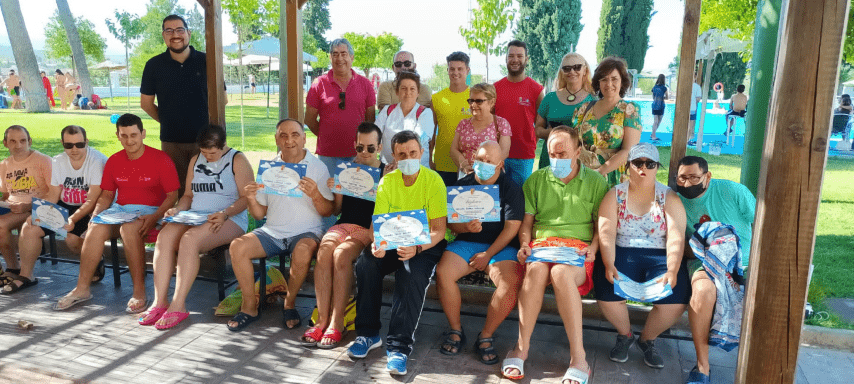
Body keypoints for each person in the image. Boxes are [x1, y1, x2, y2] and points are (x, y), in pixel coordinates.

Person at [501, 126, 608, 384]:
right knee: (536, 271)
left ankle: (578, 358)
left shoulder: (595, 182)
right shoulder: (537, 180)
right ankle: (521, 347)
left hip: (578, 249)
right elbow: (526, 223)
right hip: (543, 244)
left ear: (578, 151)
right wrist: (525, 244)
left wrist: (593, 248)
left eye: (563, 153)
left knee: (561, 273)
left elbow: (600, 226)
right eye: (551, 153)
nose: (556, 159)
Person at [53, 114, 180, 312]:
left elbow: (173, 196)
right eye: (124, 136)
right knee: (95, 227)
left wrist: (155, 217)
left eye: (134, 135)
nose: (129, 141)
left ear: (143, 134)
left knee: (129, 229)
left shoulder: (160, 159)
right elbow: (106, 196)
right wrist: (95, 216)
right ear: (118, 136)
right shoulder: (114, 160)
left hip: (152, 213)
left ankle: (139, 292)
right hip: (120, 211)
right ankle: (82, 289)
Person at [347, 130, 447, 376]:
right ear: (394, 156)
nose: (408, 157)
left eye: (413, 152)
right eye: (402, 154)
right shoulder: (387, 182)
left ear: (422, 153)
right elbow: (375, 228)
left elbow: (439, 231)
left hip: (425, 244)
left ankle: (399, 347)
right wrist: (377, 244)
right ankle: (368, 334)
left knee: (410, 274)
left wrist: (417, 248)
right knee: (366, 263)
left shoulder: (433, 181)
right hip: (392, 240)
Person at [140, 125, 252, 330]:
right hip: (195, 215)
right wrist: (177, 210)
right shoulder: (195, 160)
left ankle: (178, 305)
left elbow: (247, 198)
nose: (208, 157)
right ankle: (159, 301)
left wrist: (225, 213)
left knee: (189, 239)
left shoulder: (237, 159)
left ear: (223, 145)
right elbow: (188, 196)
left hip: (228, 218)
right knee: (164, 236)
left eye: (212, 153)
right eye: (204, 152)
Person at [226, 119, 334, 332]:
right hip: (272, 231)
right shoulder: (270, 168)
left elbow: (328, 211)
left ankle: (289, 302)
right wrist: (250, 198)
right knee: (237, 246)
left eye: (295, 135)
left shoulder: (317, 167)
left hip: (306, 231)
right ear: (276, 139)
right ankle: (249, 306)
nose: (289, 140)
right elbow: (259, 213)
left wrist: (315, 195)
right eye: (283, 135)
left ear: (304, 138)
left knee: (302, 251)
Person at [594, 143, 689, 370]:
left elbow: (676, 236)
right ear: (628, 167)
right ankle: (625, 335)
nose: (643, 168)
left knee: (674, 301)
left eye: (650, 164)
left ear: (657, 168)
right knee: (608, 292)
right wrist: (608, 263)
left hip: (659, 254)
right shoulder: (614, 195)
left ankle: (647, 339)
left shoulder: (669, 197)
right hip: (622, 250)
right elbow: (605, 232)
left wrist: (672, 269)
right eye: (637, 163)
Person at [436, 141, 523, 365]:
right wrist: (465, 227)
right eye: (480, 159)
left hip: (501, 247)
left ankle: (486, 335)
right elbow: (451, 224)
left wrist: (488, 254)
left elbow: (512, 228)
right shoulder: (462, 186)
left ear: (500, 164)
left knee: (510, 282)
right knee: (443, 272)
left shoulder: (511, 188)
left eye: (489, 161)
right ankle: (455, 330)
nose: (483, 165)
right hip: (467, 243)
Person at [303, 122, 386, 348]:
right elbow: (337, 211)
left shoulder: (386, 174)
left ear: (379, 147)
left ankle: (337, 322)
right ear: (354, 146)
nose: (365, 153)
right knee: (324, 251)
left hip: (366, 229)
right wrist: (336, 190)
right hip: (344, 224)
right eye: (360, 148)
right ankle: (321, 319)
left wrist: (382, 193)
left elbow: (385, 214)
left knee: (341, 255)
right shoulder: (345, 169)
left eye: (371, 148)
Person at [675, 155, 755, 384]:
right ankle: (703, 366)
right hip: (703, 260)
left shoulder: (733, 192)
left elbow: (762, 222)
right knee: (702, 291)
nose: (688, 184)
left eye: (694, 177)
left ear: (707, 176)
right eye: (682, 178)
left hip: (744, 261)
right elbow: (680, 245)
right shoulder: (676, 201)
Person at [6, 126, 107, 294]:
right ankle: (26, 276)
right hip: (65, 205)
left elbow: (92, 199)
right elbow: (53, 194)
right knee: (29, 226)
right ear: (62, 143)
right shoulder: (58, 161)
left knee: (71, 241)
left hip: (89, 207)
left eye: (79, 144)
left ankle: (96, 259)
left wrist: (73, 219)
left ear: (86, 142)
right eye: (68, 145)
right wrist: (37, 212)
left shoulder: (96, 160)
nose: (74, 149)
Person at [141, 14, 225, 196]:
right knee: (176, 191)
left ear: (189, 33)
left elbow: (222, 99)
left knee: (208, 188)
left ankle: (205, 223)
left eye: (179, 29)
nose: (175, 34)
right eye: (169, 30)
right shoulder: (153, 65)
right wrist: (167, 121)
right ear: (163, 36)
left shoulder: (208, 61)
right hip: (172, 142)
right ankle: (180, 223)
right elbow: (146, 103)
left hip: (206, 140)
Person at [305, 38, 377, 176]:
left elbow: (370, 119)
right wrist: (326, 134)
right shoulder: (318, 84)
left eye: (344, 54)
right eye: (335, 54)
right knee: (328, 195)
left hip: (358, 153)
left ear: (352, 57)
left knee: (355, 195)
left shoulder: (365, 84)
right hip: (328, 155)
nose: (339, 59)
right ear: (330, 57)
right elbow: (309, 119)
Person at [572, 56, 641, 188]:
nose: (609, 84)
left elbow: (629, 150)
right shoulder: (583, 109)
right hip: (583, 174)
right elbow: (574, 143)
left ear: (622, 82)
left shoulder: (629, 110)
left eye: (614, 79)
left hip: (614, 176)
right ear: (598, 82)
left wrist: (600, 171)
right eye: (604, 79)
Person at [0, 126, 51, 286]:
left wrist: (27, 206)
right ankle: (11, 267)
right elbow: (6, 195)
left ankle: (13, 268)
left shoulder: (42, 160)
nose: (18, 145)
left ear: (30, 141)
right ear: (5, 143)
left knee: (1, 225)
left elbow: (54, 194)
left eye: (23, 140)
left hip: (38, 206)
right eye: (13, 141)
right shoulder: (4, 164)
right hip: (13, 206)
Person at [493, 40, 545, 187]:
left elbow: (541, 124)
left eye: (519, 56)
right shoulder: (495, 88)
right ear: (506, 59)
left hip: (523, 156)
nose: (515, 60)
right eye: (511, 56)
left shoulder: (536, 90)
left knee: (520, 199)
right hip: (497, 153)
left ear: (526, 59)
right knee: (498, 199)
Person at [534, 52, 596, 170]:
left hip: (580, 161)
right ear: (562, 72)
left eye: (577, 67)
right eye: (567, 68)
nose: (572, 72)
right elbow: (538, 130)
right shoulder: (549, 98)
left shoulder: (594, 100)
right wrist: (554, 133)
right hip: (551, 159)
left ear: (585, 70)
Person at [450, 83, 511, 176]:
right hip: (465, 175)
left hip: (490, 176)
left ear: (491, 102)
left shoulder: (501, 124)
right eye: (471, 101)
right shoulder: (463, 124)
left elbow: (504, 152)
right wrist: (464, 165)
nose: (473, 105)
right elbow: (454, 149)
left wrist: (484, 169)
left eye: (479, 101)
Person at [376, 71, 434, 168]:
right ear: (397, 92)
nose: (408, 92)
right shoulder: (387, 111)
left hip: (417, 169)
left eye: (412, 89)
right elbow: (375, 134)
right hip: (389, 168)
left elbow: (420, 138)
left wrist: (398, 159)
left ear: (418, 92)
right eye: (403, 89)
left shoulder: (425, 113)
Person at [432, 51, 472, 187]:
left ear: (467, 70)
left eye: (460, 69)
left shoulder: (475, 97)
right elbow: (431, 133)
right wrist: (430, 160)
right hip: (443, 163)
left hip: (470, 164)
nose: (456, 72)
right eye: (452, 69)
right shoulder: (437, 98)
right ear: (447, 70)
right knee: (443, 205)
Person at [651, 74, 668, 141]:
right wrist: (662, 97)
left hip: (654, 105)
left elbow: (653, 97)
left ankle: (653, 134)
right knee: (658, 121)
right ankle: (653, 135)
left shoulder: (654, 87)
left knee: (655, 121)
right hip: (661, 105)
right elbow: (667, 97)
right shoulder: (664, 88)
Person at [688, 73, 703, 145]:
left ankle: (685, 139)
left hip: (684, 108)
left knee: (684, 124)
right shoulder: (697, 87)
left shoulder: (685, 86)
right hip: (692, 108)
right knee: (691, 124)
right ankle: (688, 139)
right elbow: (698, 98)